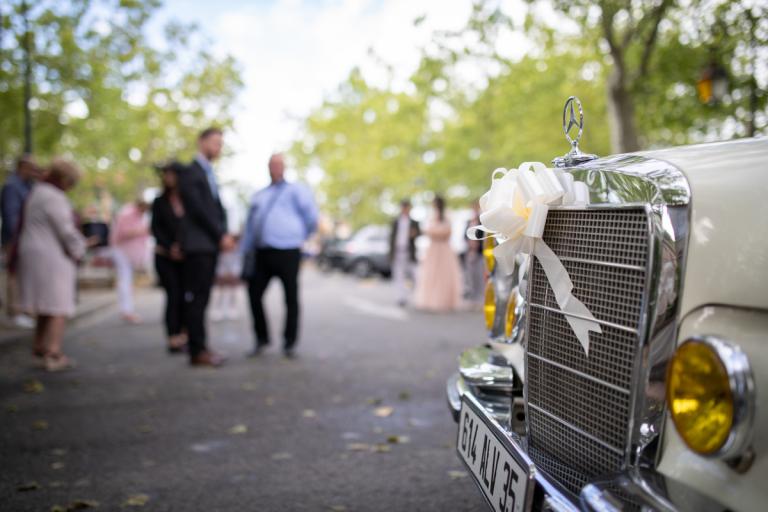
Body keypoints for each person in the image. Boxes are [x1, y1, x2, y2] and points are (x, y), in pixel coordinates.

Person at [241, 153, 318, 358]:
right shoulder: (259, 195)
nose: (275, 168)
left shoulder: (296, 191)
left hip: (288, 251)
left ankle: (289, 343)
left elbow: (311, 217)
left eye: (278, 164)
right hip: (262, 252)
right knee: (254, 294)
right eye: (272, 164)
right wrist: (245, 250)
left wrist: (300, 236)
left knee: (291, 297)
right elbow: (250, 226)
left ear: (284, 167)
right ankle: (261, 338)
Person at [16, 158, 89, 371]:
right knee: (58, 305)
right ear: (65, 179)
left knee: (44, 305)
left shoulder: (38, 191)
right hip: (51, 255)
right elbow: (65, 230)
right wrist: (81, 248)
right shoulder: (54, 197)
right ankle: (53, 353)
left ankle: (39, 348)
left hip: (33, 252)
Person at [178, 127, 235, 367]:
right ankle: (197, 350)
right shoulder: (191, 172)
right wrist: (220, 235)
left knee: (202, 298)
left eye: (220, 144)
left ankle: (201, 346)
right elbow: (199, 209)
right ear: (201, 142)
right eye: (215, 142)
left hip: (207, 244)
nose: (218, 148)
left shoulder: (208, 173)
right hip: (199, 245)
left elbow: (214, 208)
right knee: (197, 299)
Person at [151, 162, 187, 353]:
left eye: (171, 174)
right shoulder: (159, 201)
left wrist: (183, 246)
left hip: (185, 256)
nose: (168, 178)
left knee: (185, 295)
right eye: (166, 174)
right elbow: (156, 228)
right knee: (173, 294)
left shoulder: (187, 200)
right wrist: (169, 247)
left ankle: (184, 333)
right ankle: (173, 335)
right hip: (165, 256)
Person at [1, 154, 40, 328]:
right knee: (14, 273)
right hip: (15, 238)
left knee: (22, 273)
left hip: (24, 237)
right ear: (23, 167)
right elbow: (11, 215)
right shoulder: (12, 186)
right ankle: (15, 312)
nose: (34, 171)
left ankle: (23, 310)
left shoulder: (27, 185)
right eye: (32, 168)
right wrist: (17, 238)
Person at [413, 195, 463, 312]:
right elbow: (430, 230)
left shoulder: (447, 215)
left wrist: (434, 232)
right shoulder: (432, 216)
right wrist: (434, 232)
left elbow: (447, 232)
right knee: (432, 274)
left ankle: (445, 300)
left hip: (443, 248)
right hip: (434, 248)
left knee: (444, 274)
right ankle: (432, 299)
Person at [111, 199, 150, 323]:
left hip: (127, 252)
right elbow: (123, 233)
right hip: (122, 251)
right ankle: (126, 310)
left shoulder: (136, 215)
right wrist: (143, 231)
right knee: (125, 280)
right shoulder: (127, 214)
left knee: (127, 280)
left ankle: (127, 309)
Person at [388, 199, 420, 307]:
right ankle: (401, 297)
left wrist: (414, 234)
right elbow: (391, 238)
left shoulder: (414, 222)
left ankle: (412, 295)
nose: (405, 209)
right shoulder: (396, 221)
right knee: (399, 275)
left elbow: (419, 233)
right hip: (398, 251)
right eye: (403, 207)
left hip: (409, 252)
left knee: (416, 275)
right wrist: (391, 253)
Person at [210, 234, 243, 322]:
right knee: (219, 292)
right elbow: (218, 265)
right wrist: (221, 274)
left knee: (232, 292)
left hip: (232, 275)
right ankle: (218, 308)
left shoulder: (236, 253)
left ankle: (232, 307)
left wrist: (234, 273)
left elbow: (238, 264)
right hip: (221, 276)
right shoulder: (220, 254)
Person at [463, 200, 485, 308]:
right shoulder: (469, 221)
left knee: (480, 276)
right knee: (471, 276)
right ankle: (472, 298)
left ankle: (480, 298)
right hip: (470, 252)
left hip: (480, 253)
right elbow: (464, 236)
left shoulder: (482, 221)